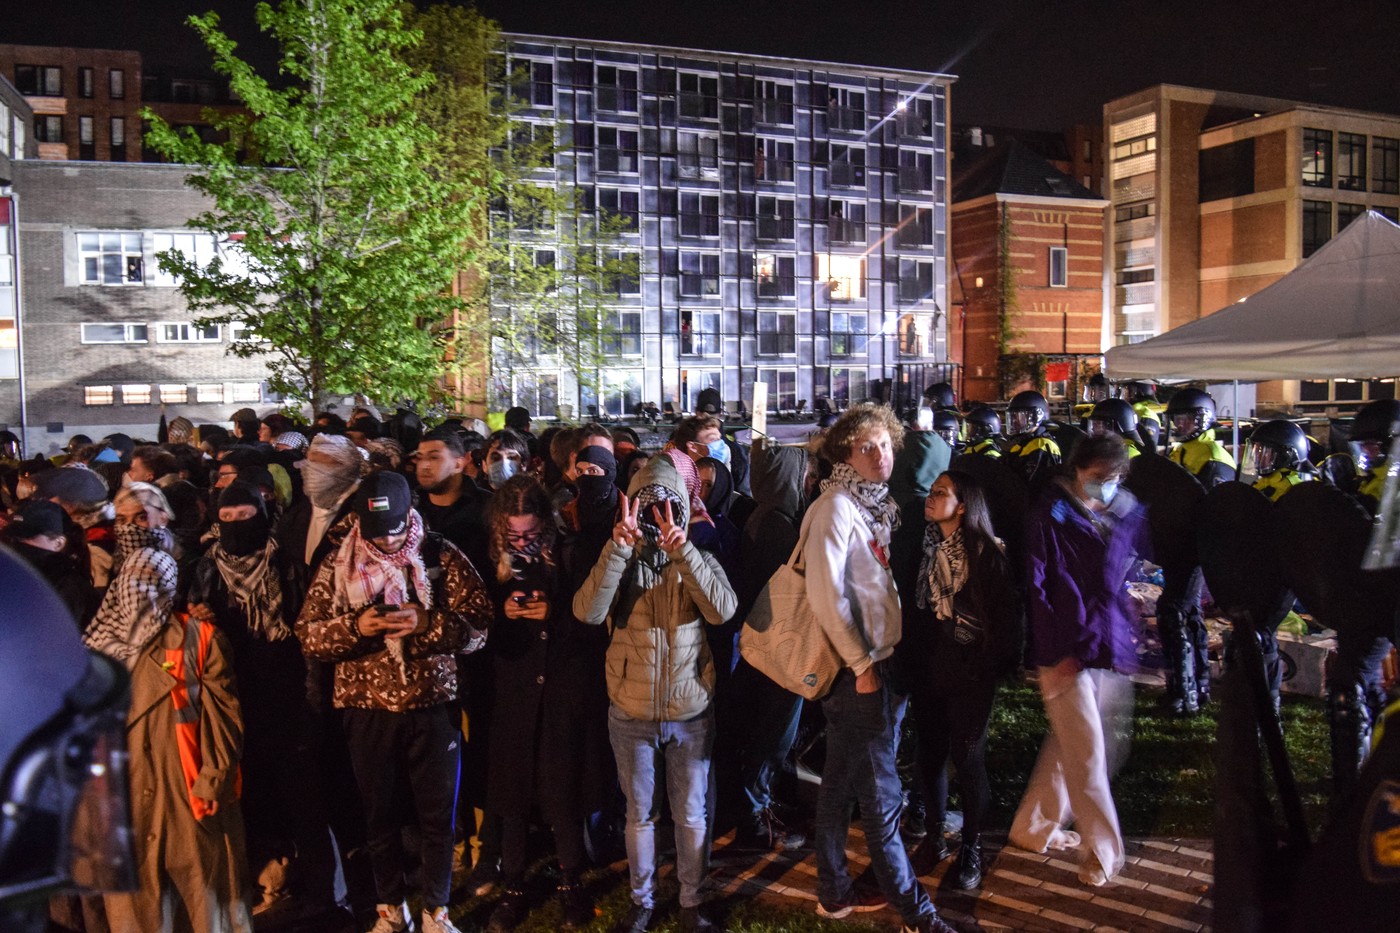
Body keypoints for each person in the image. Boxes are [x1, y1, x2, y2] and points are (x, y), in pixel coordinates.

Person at [296, 471, 491, 933]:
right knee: (378, 815)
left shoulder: (439, 554)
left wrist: (426, 623)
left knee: (437, 815)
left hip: (433, 705)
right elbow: (308, 634)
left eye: (395, 528)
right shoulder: (337, 564)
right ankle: (390, 908)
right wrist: (355, 629)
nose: (386, 540)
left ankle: (436, 911)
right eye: (375, 530)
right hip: (366, 709)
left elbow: (479, 627)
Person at [804, 404, 955, 933]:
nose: (880, 456)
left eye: (886, 445)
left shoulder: (872, 506)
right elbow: (826, 597)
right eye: (867, 447)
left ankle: (833, 892)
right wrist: (862, 665)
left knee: (840, 785)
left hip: (876, 665)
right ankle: (917, 912)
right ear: (845, 454)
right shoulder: (836, 509)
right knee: (882, 799)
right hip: (860, 673)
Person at [572, 454, 737, 933]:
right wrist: (620, 548)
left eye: (671, 506)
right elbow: (587, 612)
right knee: (640, 815)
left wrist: (685, 553)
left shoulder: (697, 557)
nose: (660, 516)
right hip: (632, 710)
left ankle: (691, 903)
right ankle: (641, 903)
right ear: (633, 505)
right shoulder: (620, 556)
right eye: (650, 505)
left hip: (689, 710)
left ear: (685, 508)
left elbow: (723, 611)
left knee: (691, 814)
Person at [84, 482, 254, 932]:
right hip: (127, 801)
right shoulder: (98, 653)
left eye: (154, 582)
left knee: (208, 906)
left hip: (188, 794)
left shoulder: (198, 640)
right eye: (134, 584)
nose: (142, 592)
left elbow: (224, 720)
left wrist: (211, 783)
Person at [187, 482, 344, 924]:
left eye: (246, 515)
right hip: (235, 701)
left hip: (290, 698)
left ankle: (322, 894)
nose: (238, 526)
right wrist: (204, 620)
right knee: (253, 801)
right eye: (229, 518)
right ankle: (268, 884)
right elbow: (194, 631)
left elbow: (310, 632)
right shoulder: (206, 569)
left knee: (306, 803)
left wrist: (313, 704)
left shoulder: (288, 564)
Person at [1010, 435, 1148, 887]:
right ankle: (1104, 854)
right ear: (1077, 472)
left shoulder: (1126, 513)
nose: (1103, 487)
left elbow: (1124, 574)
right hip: (1066, 651)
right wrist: (1055, 651)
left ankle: (1032, 827)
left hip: (1105, 644)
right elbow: (1039, 588)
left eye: (1110, 479)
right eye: (1095, 479)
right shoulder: (1050, 515)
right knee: (1087, 755)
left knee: (1084, 749)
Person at [480, 477, 608, 932]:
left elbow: (595, 625)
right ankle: (513, 885)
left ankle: (571, 881)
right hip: (512, 690)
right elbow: (474, 626)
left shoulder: (570, 555)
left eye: (531, 535)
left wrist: (555, 613)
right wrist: (504, 615)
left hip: (561, 689)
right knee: (512, 792)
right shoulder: (489, 557)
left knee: (563, 790)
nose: (522, 543)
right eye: (514, 536)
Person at [896, 472, 1023, 889]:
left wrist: (985, 663)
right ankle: (935, 835)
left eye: (940, 494)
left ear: (963, 505)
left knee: (968, 758)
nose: (930, 500)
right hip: (929, 668)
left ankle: (972, 845)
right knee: (929, 756)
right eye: (931, 492)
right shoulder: (925, 549)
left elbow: (1006, 623)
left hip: (969, 673)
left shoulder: (987, 556)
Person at [718, 437, 810, 852]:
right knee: (772, 736)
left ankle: (759, 809)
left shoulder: (763, 516)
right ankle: (755, 822)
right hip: (779, 647)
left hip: (761, 644)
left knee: (765, 732)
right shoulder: (778, 527)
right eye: (802, 473)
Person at [1165, 388, 1236, 488]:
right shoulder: (1179, 450)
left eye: (1187, 419)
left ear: (1204, 419)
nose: (1180, 424)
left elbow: (1217, 501)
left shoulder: (1214, 459)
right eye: (1177, 419)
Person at [1005, 389, 1062, 492]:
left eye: (1020, 416)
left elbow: (1034, 487)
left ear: (1037, 416)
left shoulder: (1042, 445)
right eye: (1013, 416)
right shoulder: (1021, 444)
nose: (1015, 421)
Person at [1243, 419, 1314, 501]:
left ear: (1285, 455)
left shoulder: (1295, 491)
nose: (1257, 457)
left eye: (1264, 451)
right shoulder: (1261, 483)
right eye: (1256, 451)